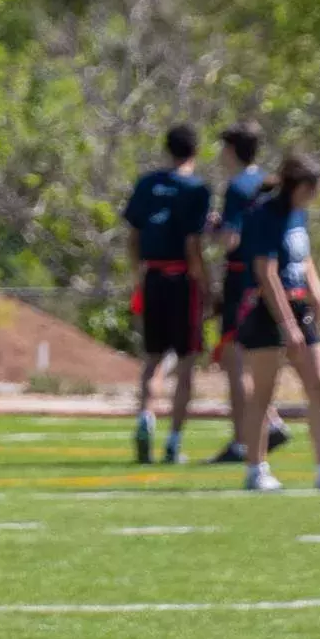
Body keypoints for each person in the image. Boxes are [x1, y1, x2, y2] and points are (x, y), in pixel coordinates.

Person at [237, 154, 320, 493]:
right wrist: (287, 325)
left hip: (299, 306)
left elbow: (303, 256)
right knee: (263, 393)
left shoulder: (299, 214)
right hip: (269, 311)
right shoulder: (264, 215)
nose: (317, 193)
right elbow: (265, 272)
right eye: (315, 187)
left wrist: (316, 290)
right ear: (302, 186)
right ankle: (256, 469)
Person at [121, 124, 212, 465]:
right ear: (195, 150)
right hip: (181, 280)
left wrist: (138, 275)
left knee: (152, 357)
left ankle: (145, 415)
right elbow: (192, 243)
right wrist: (204, 283)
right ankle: (173, 441)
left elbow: (133, 235)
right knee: (187, 360)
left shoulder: (146, 184)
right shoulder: (196, 189)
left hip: (153, 276)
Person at [206, 123, 288, 463]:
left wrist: (214, 228)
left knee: (235, 359)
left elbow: (232, 238)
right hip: (270, 275)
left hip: (241, 279)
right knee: (258, 357)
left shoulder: (238, 187)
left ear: (232, 150)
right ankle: (270, 421)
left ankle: (245, 438)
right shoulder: (269, 183)